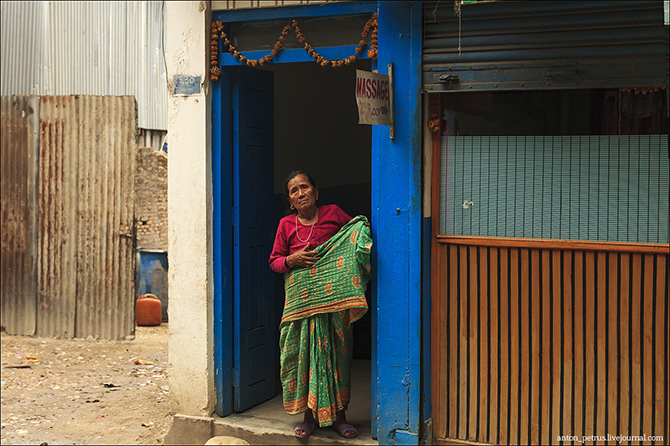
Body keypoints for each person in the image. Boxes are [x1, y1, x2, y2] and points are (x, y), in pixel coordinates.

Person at [269, 171, 371, 439]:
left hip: (333, 302)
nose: (300, 193)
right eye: (294, 191)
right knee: (304, 355)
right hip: (300, 303)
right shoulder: (285, 225)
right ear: (290, 201)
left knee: (335, 355)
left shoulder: (333, 214)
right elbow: (275, 261)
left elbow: (355, 234)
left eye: (305, 187)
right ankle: (308, 417)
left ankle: (340, 417)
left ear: (316, 191)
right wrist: (293, 260)